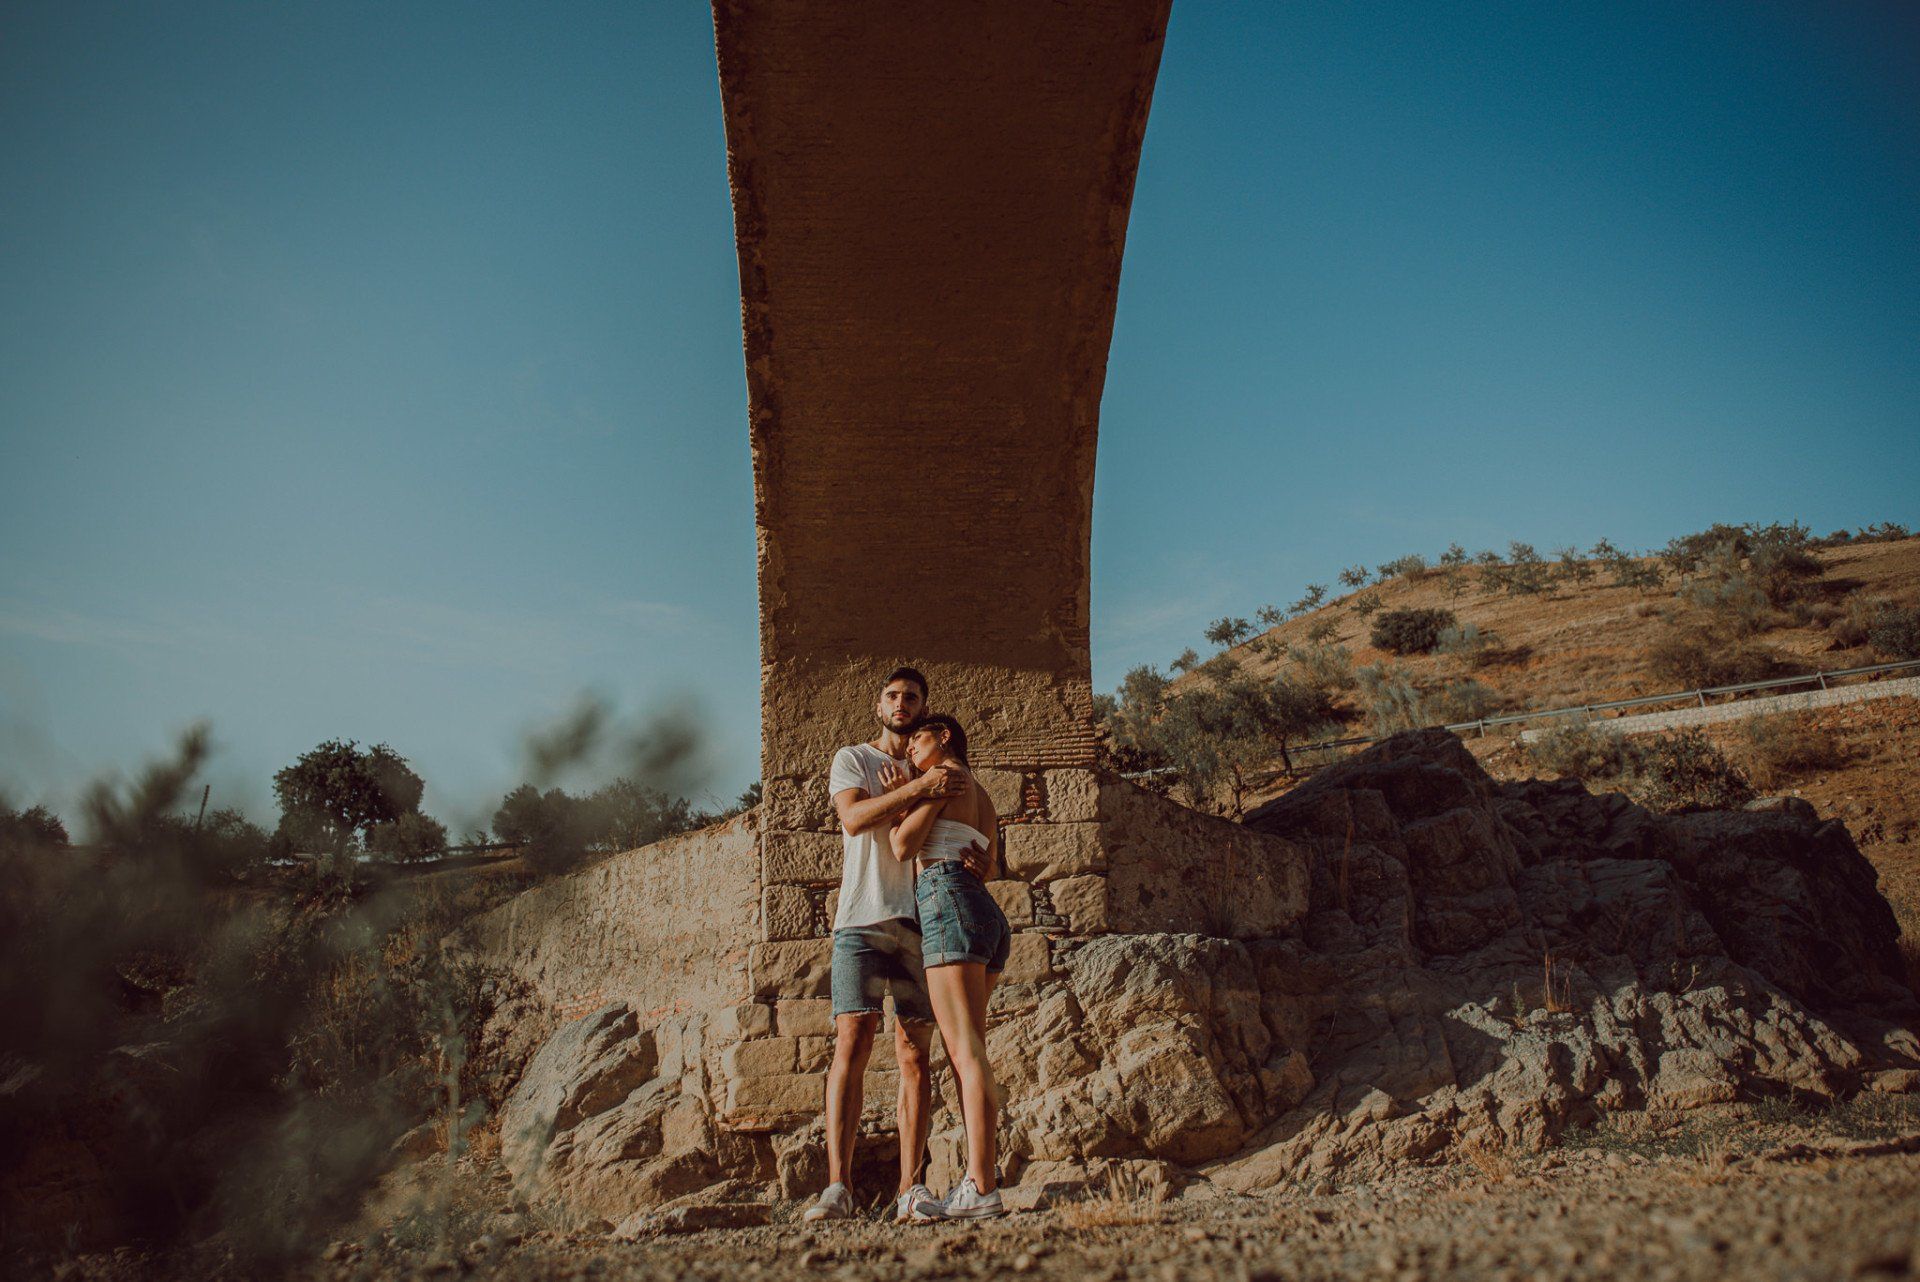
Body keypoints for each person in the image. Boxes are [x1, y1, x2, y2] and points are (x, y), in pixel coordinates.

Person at [804, 668, 991, 1224]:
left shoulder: (933, 765)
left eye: (912, 697)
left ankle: (911, 1187)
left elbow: (963, 835)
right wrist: (917, 790)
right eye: (893, 695)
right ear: (878, 704)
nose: (902, 703)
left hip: (920, 921)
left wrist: (977, 861)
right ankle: (839, 1187)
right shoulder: (853, 759)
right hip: (860, 917)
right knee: (853, 1039)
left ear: (924, 709)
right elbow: (856, 818)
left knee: (915, 1054)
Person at [888, 712, 1010, 1221]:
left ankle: (982, 1185)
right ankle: (978, 1181)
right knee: (971, 1049)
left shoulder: (946, 780)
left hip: (945, 900)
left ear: (943, 737)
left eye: (916, 737)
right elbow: (994, 862)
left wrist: (918, 793)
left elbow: (902, 846)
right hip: (983, 909)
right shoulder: (980, 790)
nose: (908, 747)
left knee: (964, 1052)